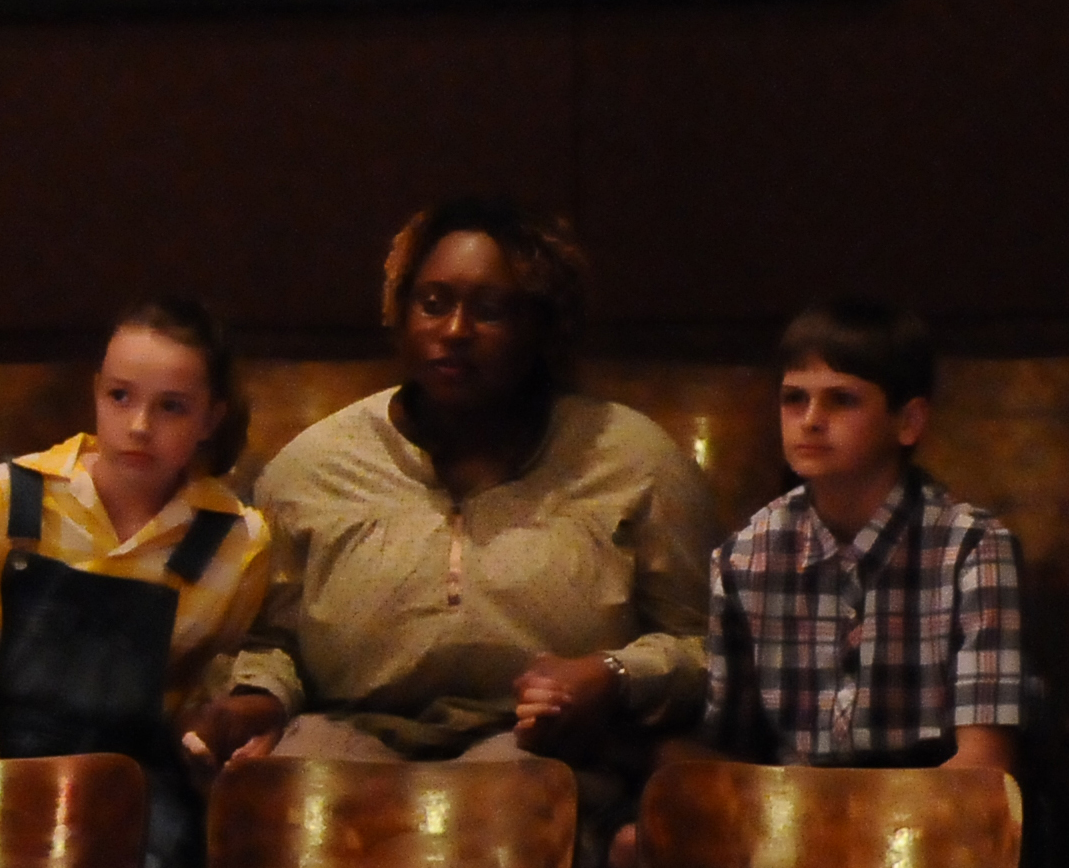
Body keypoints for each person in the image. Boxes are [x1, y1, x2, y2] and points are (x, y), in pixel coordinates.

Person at [213, 198, 714, 806]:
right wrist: (259, 699)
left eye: (490, 310)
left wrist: (614, 676)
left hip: (535, 748)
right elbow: (272, 641)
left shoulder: (634, 462)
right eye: (433, 304)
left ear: (541, 327)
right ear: (400, 314)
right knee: (288, 799)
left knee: (499, 806)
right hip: (347, 732)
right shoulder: (314, 467)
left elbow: (705, 650)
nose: (455, 331)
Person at [0, 299, 275, 868]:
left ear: (211, 418)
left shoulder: (236, 541)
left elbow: (209, 698)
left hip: (130, 786)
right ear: (96, 393)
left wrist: (230, 733)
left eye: (172, 407)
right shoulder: (7, 499)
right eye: (120, 397)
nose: (139, 425)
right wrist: (7, 813)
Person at [700, 296, 1023, 772]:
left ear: (908, 422)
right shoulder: (744, 556)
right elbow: (729, 755)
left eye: (842, 399)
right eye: (794, 399)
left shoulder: (972, 547)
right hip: (791, 804)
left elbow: (984, 765)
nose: (811, 419)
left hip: (928, 803)